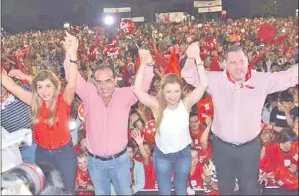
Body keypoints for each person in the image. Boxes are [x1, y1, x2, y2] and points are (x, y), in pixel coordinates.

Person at [181, 44, 298, 195]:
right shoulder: (215, 79)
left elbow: (288, 77)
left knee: (249, 189)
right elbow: (191, 76)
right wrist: (191, 58)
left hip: (250, 148)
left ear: (247, 61)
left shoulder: (261, 80)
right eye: (233, 63)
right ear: (225, 64)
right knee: (225, 188)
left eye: (242, 61)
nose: (239, 67)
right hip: (222, 147)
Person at [63, 48, 154, 195]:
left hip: (120, 161)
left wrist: (149, 65)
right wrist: (69, 52)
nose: (103, 86)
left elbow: (142, 87)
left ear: (115, 80)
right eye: (99, 82)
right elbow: (71, 76)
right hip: (95, 163)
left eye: (107, 81)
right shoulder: (88, 93)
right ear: (94, 82)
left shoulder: (125, 95)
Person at [1, 32, 79, 193]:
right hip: (42, 154)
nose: (45, 92)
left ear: (55, 86)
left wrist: (73, 55)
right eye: (40, 87)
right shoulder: (34, 102)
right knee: (46, 191)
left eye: (48, 86)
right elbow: (11, 86)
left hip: (64, 154)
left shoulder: (64, 101)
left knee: (68, 191)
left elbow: (71, 84)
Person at [133, 46, 208, 195]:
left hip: (183, 155)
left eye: (176, 91)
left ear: (181, 91)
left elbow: (204, 84)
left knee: (181, 190)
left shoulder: (186, 104)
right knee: (164, 192)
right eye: (168, 91)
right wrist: (142, 63)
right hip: (162, 156)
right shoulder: (156, 106)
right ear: (162, 91)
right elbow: (138, 91)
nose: (173, 95)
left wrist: (197, 58)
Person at [1, 69, 36, 164]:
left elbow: (48, 89)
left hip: (40, 144)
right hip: (20, 154)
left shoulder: (22, 89)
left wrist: (25, 77)